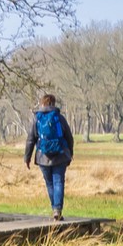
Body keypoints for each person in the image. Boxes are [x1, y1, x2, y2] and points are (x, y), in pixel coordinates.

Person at [23, 93, 74, 222]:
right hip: (60, 155)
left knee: (50, 183)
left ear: (42, 103)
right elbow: (69, 137)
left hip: (42, 157)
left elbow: (31, 139)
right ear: (53, 103)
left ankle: (54, 208)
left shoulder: (37, 119)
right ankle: (57, 210)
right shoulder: (59, 118)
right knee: (58, 182)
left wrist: (27, 157)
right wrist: (70, 153)